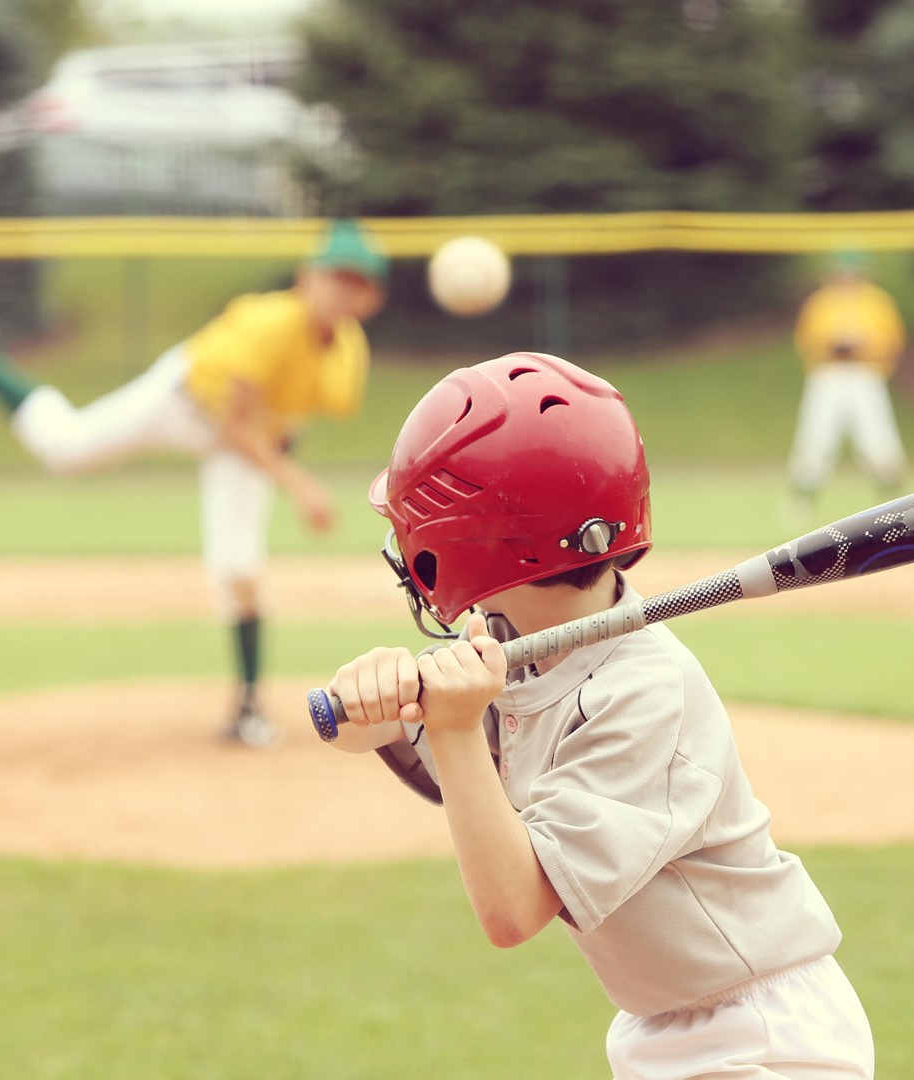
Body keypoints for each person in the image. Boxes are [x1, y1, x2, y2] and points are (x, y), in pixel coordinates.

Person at [326, 353, 874, 1079]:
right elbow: (452, 783)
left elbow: (513, 910)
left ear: (473, 542)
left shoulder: (645, 693)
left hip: (761, 1039)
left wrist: (454, 727)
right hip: (671, 1024)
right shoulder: (508, 643)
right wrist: (378, 713)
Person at [0, 220, 389, 747]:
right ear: (306, 277)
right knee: (67, 448)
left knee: (239, 566)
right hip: (184, 401)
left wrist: (282, 460)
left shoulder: (348, 355)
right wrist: (298, 484)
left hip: (246, 438)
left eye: (356, 282)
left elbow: (289, 414)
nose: (342, 290)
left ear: (371, 297)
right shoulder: (268, 324)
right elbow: (234, 423)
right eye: (334, 276)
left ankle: (247, 709)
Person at [786, 251, 908, 521]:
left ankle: (893, 501)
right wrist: (832, 343)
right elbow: (806, 340)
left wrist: (864, 344)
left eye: (851, 273)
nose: (846, 279)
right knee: (816, 438)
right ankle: (802, 502)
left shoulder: (878, 301)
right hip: (827, 375)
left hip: (866, 374)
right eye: (841, 273)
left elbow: (892, 341)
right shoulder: (820, 302)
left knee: (878, 439)